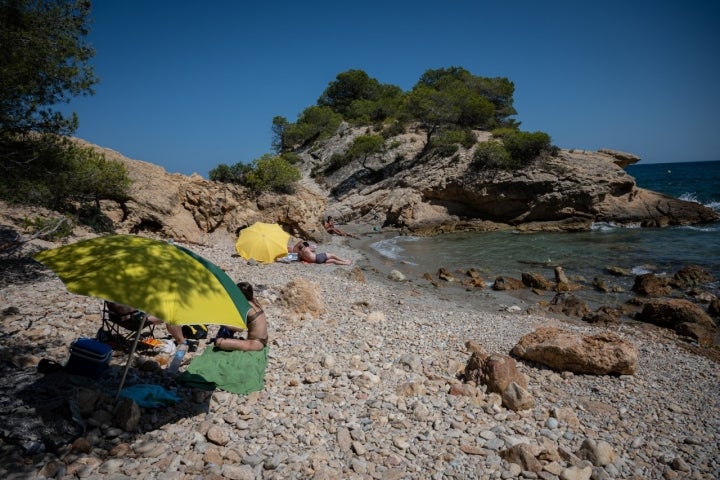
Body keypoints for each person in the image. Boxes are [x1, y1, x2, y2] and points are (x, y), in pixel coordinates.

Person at [214, 282, 268, 351]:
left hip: (255, 344)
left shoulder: (246, 308)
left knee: (218, 342)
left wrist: (221, 323)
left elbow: (240, 329)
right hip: (263, 340)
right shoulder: (255, 302)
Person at [106, 301, 186, 346]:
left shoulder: (113, 294)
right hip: (134, 322)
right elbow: (130, 314)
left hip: (116, 319)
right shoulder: (122, 298)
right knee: (171, 316)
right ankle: (182, 342)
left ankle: (181, 338)